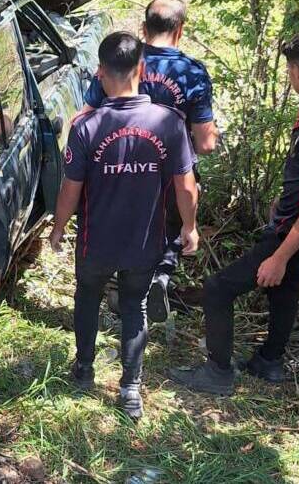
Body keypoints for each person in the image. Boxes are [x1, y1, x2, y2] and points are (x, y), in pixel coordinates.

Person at [169, 30, 299, 395]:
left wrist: (281, 255)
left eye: (289, 69)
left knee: (219, 289)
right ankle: (269, 361)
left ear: (298, 72)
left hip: (297, 233)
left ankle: (218, 372)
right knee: (284, 288)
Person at [49, 31, 199, 420]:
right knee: (134, 306)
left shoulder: (86, 127)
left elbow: (70, 188)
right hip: (143, 242)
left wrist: (58, 227)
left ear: (100, 73)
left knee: (87, 298)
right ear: (142, 70)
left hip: (95, 241)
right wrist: (190, 226)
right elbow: (186, 185)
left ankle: (83, 370)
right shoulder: (168, 123)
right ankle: (130, 390)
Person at [79, 0, 219, 322]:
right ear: (180, 30)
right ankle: (160, 277)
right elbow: (206, 143)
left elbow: (85, 115)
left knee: (123, 224)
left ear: (143, 28)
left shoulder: (122, 59)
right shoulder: (193, 73)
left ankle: (118, 286)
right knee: (172, 227)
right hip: (170, 173)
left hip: (117, 168)